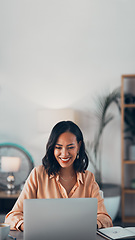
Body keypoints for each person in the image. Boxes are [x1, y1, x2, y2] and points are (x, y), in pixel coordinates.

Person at [5, 121, 113, 231]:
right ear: (52, 148)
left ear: (79, 146)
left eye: (70, 147)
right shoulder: (37, 175)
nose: (64, 153)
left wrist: (89, 225)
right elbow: (12, 217)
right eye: (58, 147)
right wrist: (29, 226)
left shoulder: (88, 178)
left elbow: (105, 218)